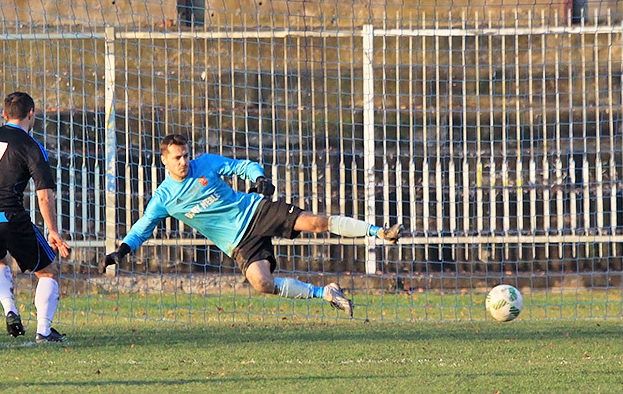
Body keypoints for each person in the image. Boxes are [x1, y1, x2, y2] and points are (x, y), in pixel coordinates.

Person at [100, 133, 402, 318]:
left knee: (316, 223)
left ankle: (378, 232)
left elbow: (242, 166)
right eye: (178, 157)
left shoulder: (206, 163)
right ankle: (325, 293)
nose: (184, 161)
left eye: (186, 155)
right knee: (262, 283)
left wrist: (259, 179)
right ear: (165, 160)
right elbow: (143, 227)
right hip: (238, 242)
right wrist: (121, 251)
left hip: (256, 210)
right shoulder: (163, 198)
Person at [0, 91, 72, 342]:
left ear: (4, 115)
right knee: (48, 272)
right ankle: (44, 330)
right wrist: (53, 231)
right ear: (31, 114)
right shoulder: (30, 145)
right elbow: (44, 195)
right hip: (10, 217)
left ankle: (10, 310)